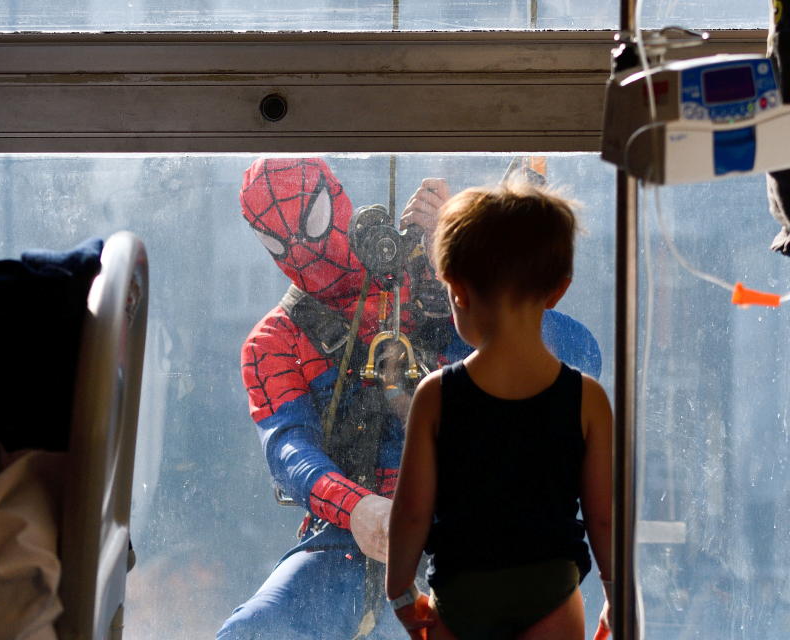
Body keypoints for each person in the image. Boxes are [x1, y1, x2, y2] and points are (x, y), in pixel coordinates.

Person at [217, 157, 603, 640]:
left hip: (471, 529)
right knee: (258, 629)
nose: (302, 249)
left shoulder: (432, 278)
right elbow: (288, 449)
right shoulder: (276, 341)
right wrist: (359, 510)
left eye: (312, 222)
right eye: (277, 240)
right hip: (346, 538)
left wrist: (465, 260)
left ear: (338, 202)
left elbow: (575, 359)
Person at [385, 181, 614, 640]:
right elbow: (602, 515)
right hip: (551, 589)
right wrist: (617, 596)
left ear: (457, 292)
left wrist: (402, 595)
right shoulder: (587, 398)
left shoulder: (435, 395)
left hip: (461, 588)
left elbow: (410, 512)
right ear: (558, 291)